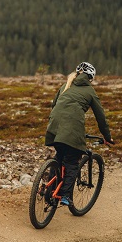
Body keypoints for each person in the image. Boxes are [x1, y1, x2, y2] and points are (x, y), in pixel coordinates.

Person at [44, 62, 113, 206]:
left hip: (54, 127)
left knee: (59, 157)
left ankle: (48, 192)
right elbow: (100, 117)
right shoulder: (90, 91)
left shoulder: (66, 85)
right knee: (72, 162)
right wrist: (107, 136)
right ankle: (65, 197)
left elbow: (54, 105)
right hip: (72, 129)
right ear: (90, 78)